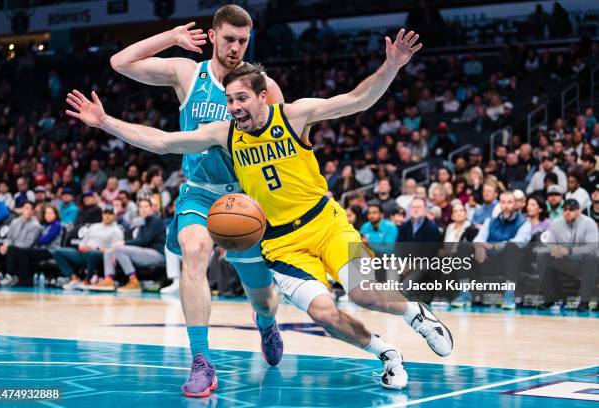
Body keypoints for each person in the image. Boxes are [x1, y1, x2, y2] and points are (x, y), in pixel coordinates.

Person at [66, 28, 453, 391]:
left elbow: (356, 100)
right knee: (323, 314)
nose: (233, 107)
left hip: (325, 223)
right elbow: (166, 142)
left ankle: (415, 314)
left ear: (263, 96)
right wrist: (106, 123)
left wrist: (391, 66)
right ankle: (386, 353)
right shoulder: (224, 132)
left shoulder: (295, 115)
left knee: (366, 294)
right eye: (229, 100)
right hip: (281, 243)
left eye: (241, 99)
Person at [109, 5, 286, 396]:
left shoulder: (264, 88)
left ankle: (266, 322)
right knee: (193, 250)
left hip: (246, 201)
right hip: (199, 193)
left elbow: (280, 147)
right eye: (229, 39)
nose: (236, 47)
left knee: (263, 298)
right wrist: (171, 39)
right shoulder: (188, 73)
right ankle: (201, 360)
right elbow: (120, 62)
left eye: (243, 40)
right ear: (213, 35)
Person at [537, 199, 598, 312]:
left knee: (591, 257)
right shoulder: (556, 223)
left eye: (571, 210)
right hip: (564, 261)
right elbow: (550, 244)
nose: (568, 212)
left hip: (582, 262)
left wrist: (570, 251)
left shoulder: (589, 223)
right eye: (565, 209)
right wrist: (554, 250)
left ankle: (584, 301)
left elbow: (593, 247)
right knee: (542, 255)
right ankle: (550, 297)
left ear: (579, 211)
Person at [96, 198, 166, 292]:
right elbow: (139, 242)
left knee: (119, 248)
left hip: (158, 254)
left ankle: (133, 281)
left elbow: (144, 241)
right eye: (141, 207)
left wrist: (123, 243)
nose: (143, 209)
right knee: (109, 252)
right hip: (145, 253)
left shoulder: (155, 221)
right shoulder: (143, 222)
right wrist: (115, 253)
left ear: (151, 208)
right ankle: (109, 279)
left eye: (146, 206)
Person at [53, 205, 123, 289]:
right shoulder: (94, 226)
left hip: (100, 256)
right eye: (105, 213)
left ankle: (87, 280)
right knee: (57, 252)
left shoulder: (116, 231)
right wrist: (82, 246)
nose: (107, 216)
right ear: (102, 214)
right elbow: (83, 242)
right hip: (84, 253)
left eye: (110, 214)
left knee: (93, 254)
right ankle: (73, 277)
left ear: (115, 216)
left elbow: (115, 250)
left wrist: (97, 249)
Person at [0, 201, 42, 287]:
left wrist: (9, 246)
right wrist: (5, 245)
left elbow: (28, 244)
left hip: (24, 252)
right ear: (22, 209)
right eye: (26, 208)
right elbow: (9, 238)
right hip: (11, 249)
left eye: (30, 209)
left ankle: (10, 276)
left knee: (12, 248)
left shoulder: (36, 226)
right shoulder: (15, 221)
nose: (28, 211)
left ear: (33, 211)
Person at [7, 204, 62, 286]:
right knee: (22, 251)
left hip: (51, 251)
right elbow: (42, 239)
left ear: (56, 214)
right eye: (46, 213)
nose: (48, 215)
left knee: (23, 252)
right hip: (43, 250)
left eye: (51, 213)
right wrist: (40, 239)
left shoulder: (57, 225)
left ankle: (25, 280)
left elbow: (46, 240)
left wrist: (39, 239)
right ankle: (24, 278)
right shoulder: (45, 225)